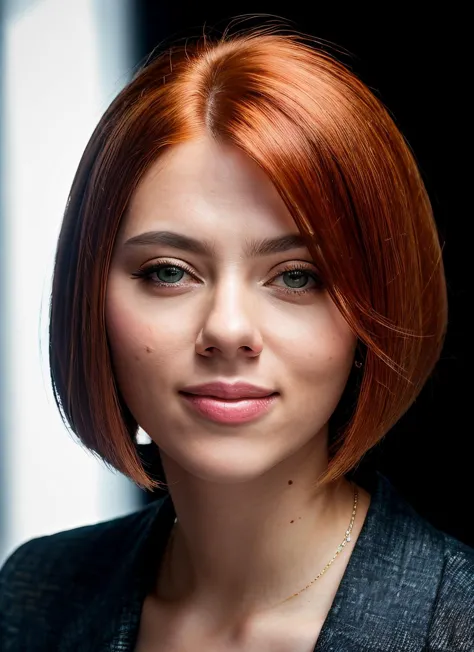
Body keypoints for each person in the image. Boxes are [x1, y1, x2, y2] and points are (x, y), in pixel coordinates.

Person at [1, 23, 473, 652]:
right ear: (91, 298)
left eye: (297, 277)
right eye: (169, 272)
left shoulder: (458, 621)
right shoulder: (35, 595)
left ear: (375, 306)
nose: (227, 330)